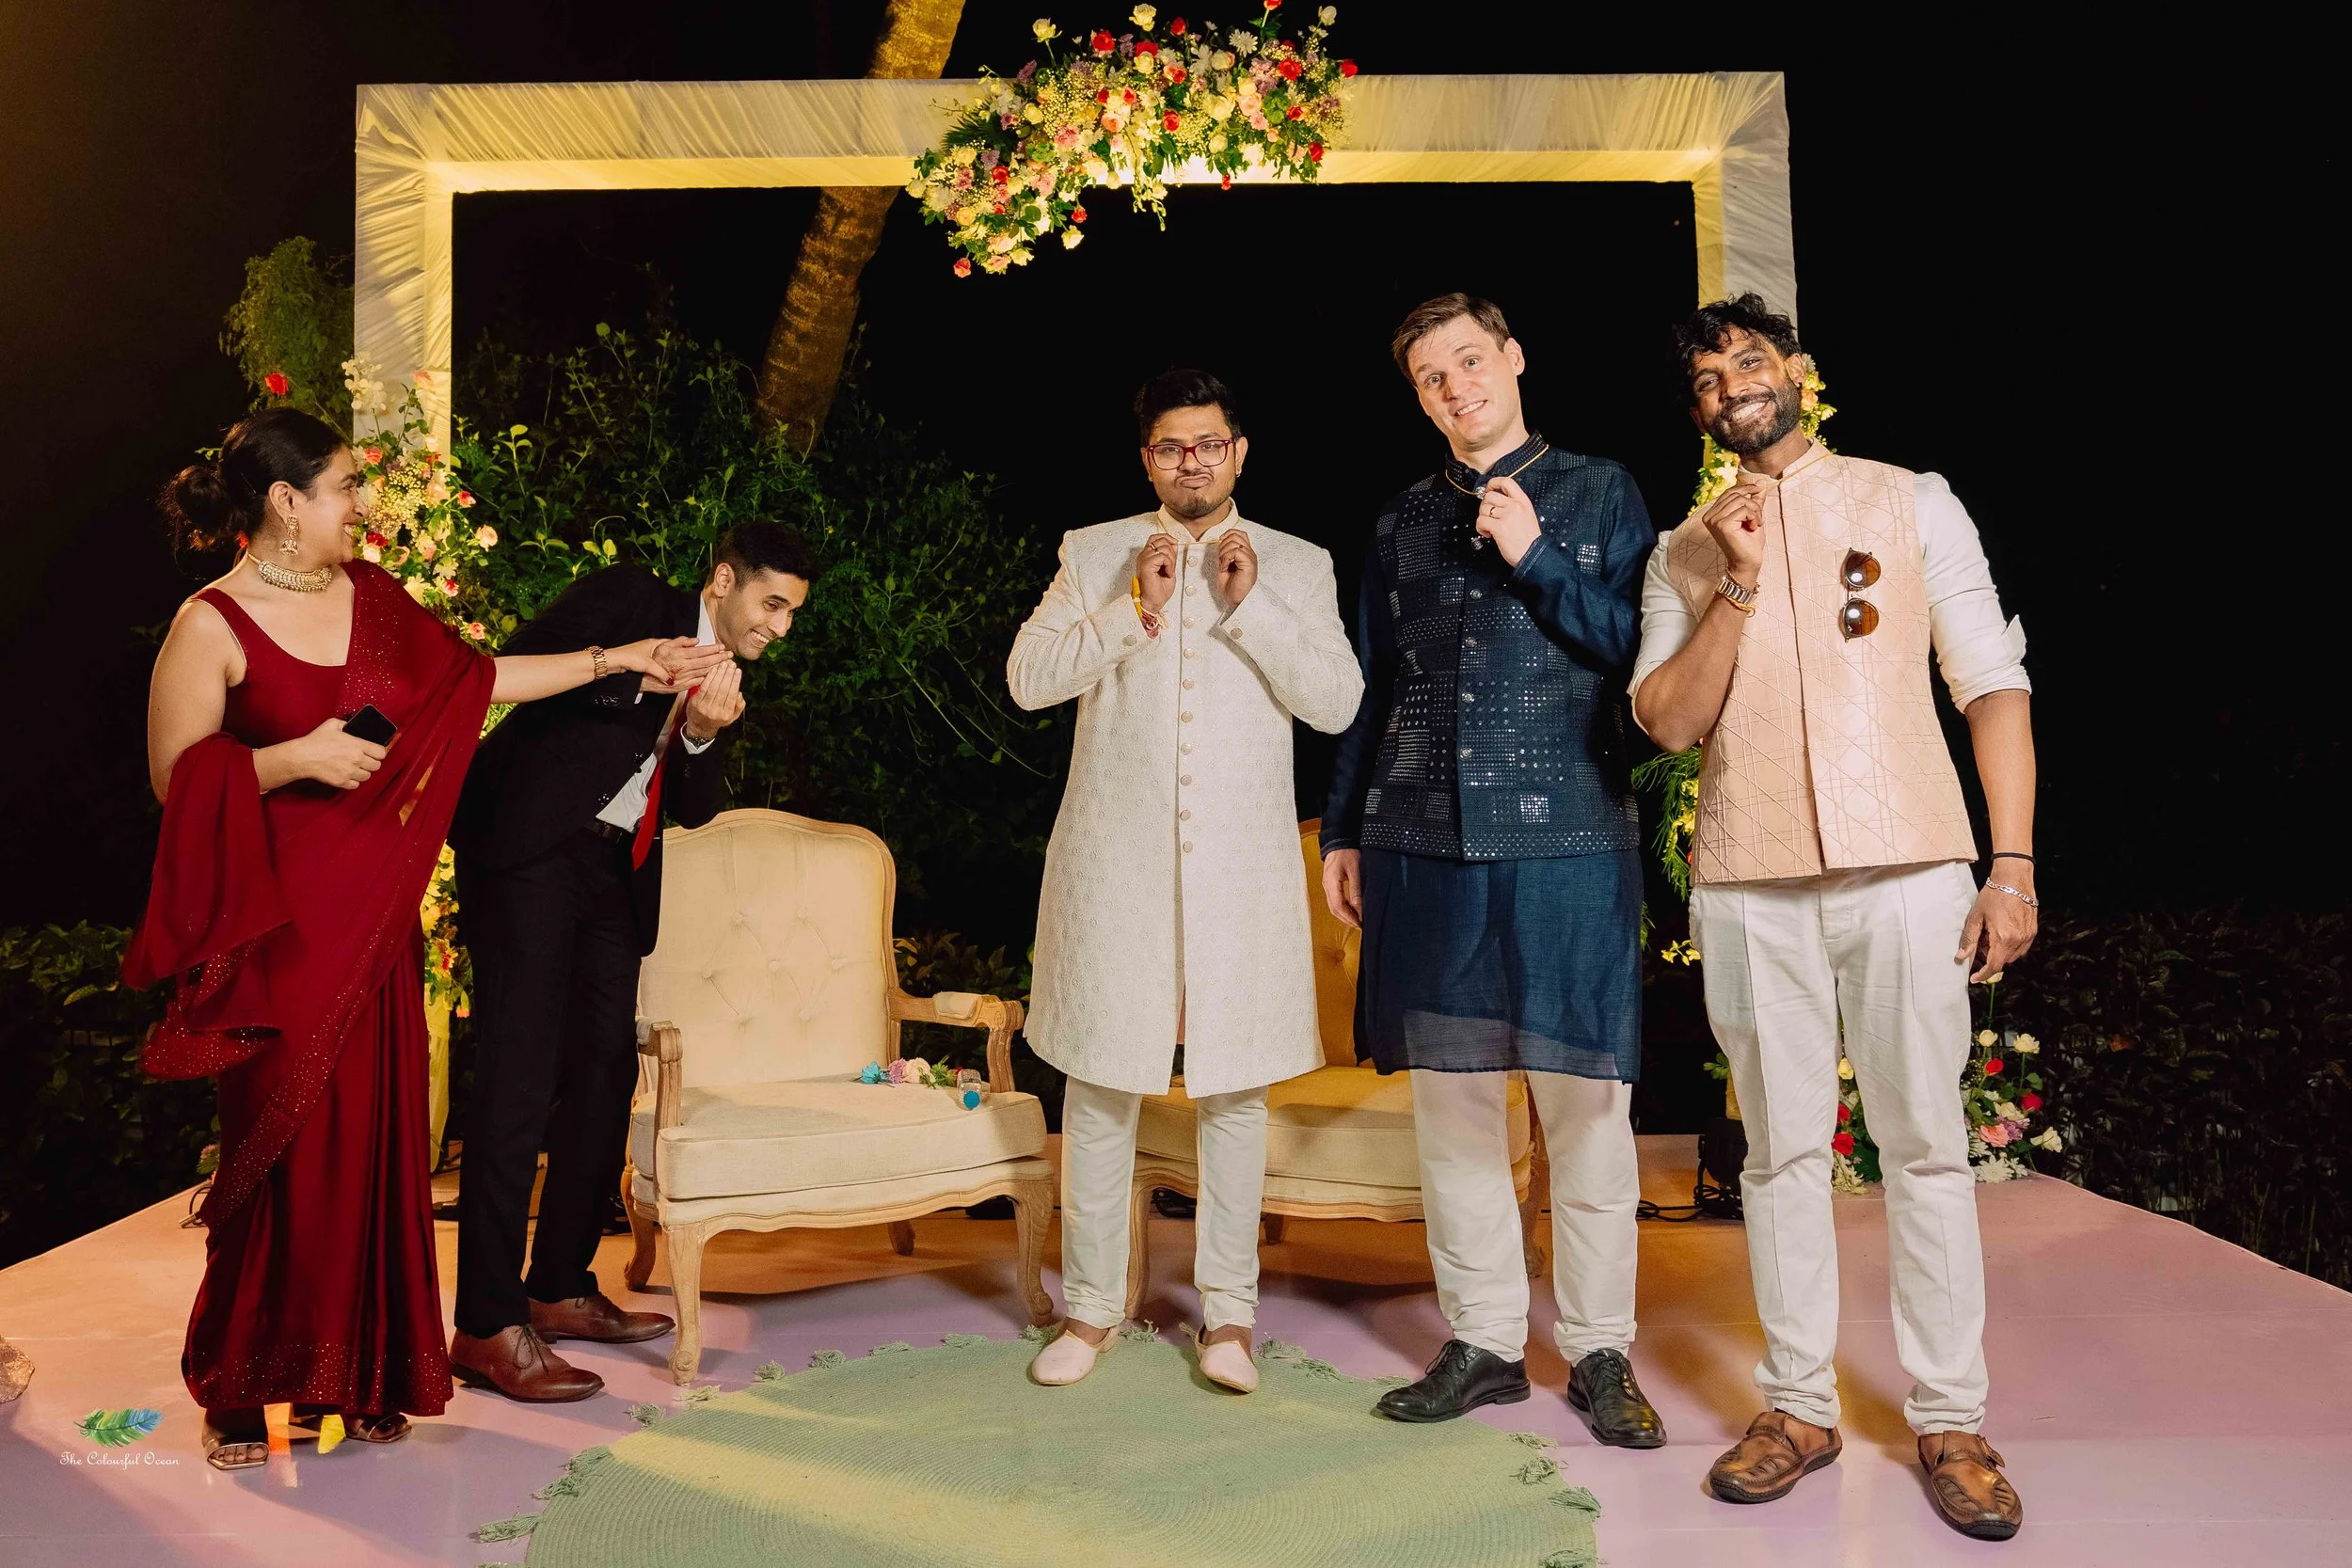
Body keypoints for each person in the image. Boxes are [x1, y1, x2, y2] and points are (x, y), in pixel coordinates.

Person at [132, 408, 699, 1470]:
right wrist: (293, 758)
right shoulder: (209, 623)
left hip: (373, 922)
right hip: (278, 927)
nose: (362, 504)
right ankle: (243, 1387)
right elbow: (178, 778)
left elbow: (479, 679)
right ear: (286, 501)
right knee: (282, 1151)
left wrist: (618, 657)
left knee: (372, 1147)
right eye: (346, 486)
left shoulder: (373, 599)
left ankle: (358, 1372)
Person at [1634, 294, 2037, 1542]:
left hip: (1910, 867)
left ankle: (1952, 1418)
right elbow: (1667, 720)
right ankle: (1798, 1407)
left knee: (1924, 1146)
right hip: (1748, 881)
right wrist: (1739, 584)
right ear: (1697, 411)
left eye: (1749, 361)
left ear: (1798, 373)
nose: (1732, 386)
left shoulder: (1910, 500)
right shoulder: (1683, 550)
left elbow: (1992, 682)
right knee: (1778, 1156)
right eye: (1709, 379)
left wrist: (2012, 865)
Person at [1323, 294, 1664, 1447]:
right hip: (1423, 844)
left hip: (1572, 839)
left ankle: (1601, 1348)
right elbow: (1372, 687)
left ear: (1513, 358)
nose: (1455, 385)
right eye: (1432, 376)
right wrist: (1341, 831)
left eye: (1470, 360)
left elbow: (1637, 654)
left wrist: (1535, 557)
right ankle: (1483, 1341)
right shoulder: (1399, 519)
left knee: (1587, 1112)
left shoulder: (1599, 491)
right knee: (1454, 1114)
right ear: (1419, 398)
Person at [1009, 368, 1361, 1393]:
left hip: (1240, 870)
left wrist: (1253, 606)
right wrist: (1134, 608)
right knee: (1100, 1081)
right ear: (1148, 460)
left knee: (1234, 1089)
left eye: (1209, 443)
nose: (1191, 461)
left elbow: (1339, 703)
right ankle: (1091, 1308)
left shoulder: (1298, 562)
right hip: (1113, 866)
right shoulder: (1094, 551)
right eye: (1171, 446)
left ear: (1238, 452)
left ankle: (1230, 1318)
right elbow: (1029, 681)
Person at [446, 521, 817, 1402]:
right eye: (771, 604)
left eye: (792, 614)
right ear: (722, 580)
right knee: (518, 1078)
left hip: (614, 873)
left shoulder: (725, 677)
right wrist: (633, 669)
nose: (779, 627)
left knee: (606, 1076)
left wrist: (702, 735)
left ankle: (559, 1285)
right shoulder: (633, 598)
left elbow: (689, 808)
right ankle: (486, 1325)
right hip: (529, 850)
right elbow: (513, 666)